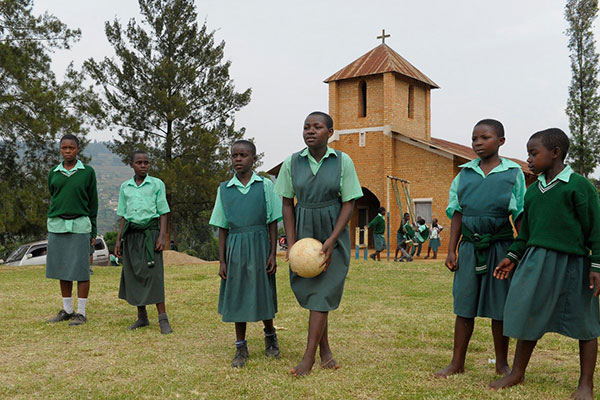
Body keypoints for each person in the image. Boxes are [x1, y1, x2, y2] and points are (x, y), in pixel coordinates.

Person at [490, 128, 600, 399]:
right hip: (536, 263)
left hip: (574, 265)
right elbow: (526, 233)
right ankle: (517, 372)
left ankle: (586, 384)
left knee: (585, 322)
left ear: (555, 153)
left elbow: (596, 228)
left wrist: (597, 265)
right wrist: (511, 258)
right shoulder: (532, 192)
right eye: (528, 153)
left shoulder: (579, 186)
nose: (528, 159)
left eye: (533, 153)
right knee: (528, 315)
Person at [435, 119, 525, 378]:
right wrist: (451, 250)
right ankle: (456, 363)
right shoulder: (464, 174)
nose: (477, 142)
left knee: (500, 307)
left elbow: (519, 214)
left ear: (501, 142)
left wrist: (519, 251)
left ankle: (501, 363)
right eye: (474, 138)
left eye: (485, 137)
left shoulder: (513, 173)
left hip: (500, 247)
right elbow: (457, 215)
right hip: (470, 248)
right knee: (464, 306)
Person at [276, 111, 363, 376]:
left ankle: (308, 358)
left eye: (317, 127)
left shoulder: (342, 161)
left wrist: (333, 238)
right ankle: (326, 352)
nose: (310, 131)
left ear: (330, 133)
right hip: (303, 230)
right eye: (306, 127)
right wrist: (292, 243)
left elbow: (349, 202)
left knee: (323, 293)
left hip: (332, 230)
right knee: (313, 292)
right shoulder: (291, 163)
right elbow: (287, 204)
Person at [209, 140, 282, 368]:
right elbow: (222, 227)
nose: (238, 159)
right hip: (236, 246)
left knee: (262, 290)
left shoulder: (265, 186)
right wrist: (222, 260)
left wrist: (272, 253)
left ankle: (270, 336)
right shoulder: (224, 189)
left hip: (260, 243)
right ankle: (240, 346)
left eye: (243, 155)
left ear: (254, 159)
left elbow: (272, 222)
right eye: (234, 155)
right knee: (238, 293)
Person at [114, 150, 172, 334]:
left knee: (154, 274)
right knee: (134, 274)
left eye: (146, 162)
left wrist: (162, 236)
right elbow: (123, 215)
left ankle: (163, 318)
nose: (143, 165)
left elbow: (163, 211)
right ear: (132, 164)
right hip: (131, 235)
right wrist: (118, 240)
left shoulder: (156, 184)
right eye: (139, 162)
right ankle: (142, 317)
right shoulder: (126, 187)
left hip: (150, 234)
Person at [46, 134, 98, 326]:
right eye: (64, 148)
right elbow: (54, 195)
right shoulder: (54, 172)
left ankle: (81, 312)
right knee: (62, 269)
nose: (67, 151)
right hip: (57, 225)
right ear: (60, 149)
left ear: (78, 149)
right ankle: (67, 310)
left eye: (71, 148)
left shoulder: (87, 172)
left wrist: (93, 230)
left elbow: (93, 202)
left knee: (81, 270)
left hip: (80, 225)